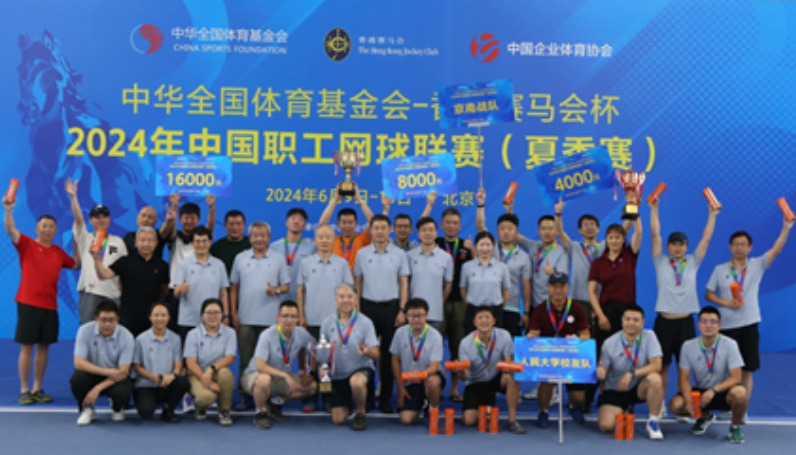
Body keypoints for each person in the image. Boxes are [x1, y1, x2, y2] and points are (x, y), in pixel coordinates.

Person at [705, 216, 793, 405]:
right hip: (726, 327)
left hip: (749, 326)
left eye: (743, 244)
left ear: (750, 247)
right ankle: (725, 408)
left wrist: (786, 228)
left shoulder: (757, 265)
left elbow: (777, 249)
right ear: (730, 247)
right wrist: (726, 303)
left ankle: (741, 409)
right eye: (736, 244)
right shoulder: (720, 269)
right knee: (725, 370)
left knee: (746, 370)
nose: (739, 248)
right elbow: (709, 294)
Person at [4, 196, 79, 405]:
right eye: (44, 226)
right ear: (37, 228)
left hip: (50, 306)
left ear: (56, 230)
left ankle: (37, 387)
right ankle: (24, 389)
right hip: (28, 303)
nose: (47, 229)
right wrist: (9, 210)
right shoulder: (26, 244)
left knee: (44, 347)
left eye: (51, 226)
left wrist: (78, 239)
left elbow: (75, 264)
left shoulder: (58, 252)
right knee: (27, 347)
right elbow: (10, 229)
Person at [650, 197, 718, 398]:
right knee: (661, 367)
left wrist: (712, 215)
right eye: (674, 244)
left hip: (686, 323)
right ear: (668, 246)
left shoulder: (693, 261)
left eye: (681, 244)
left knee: (684, 368)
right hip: (664, 323)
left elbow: (706, 239)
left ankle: (684, 404)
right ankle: (659, 405)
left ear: (686, 246)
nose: (678, 247)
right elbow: (655, 234)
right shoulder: (660, 260)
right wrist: (654, 209)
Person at [229, 221, 290, 410]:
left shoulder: (278, 259)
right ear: (250, 238)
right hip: (245, 318)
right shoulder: (240, 258)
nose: (259, 239)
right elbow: (233, 287)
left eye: (262, 235)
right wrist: (233, 313)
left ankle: (270, 395)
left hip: (271, 321)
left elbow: (286, 287)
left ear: (269, 238)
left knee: (271, 361)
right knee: (245, 360)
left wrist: (275, 290)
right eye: (255, 235)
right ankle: (245, 395)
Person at [353, 214, 410, 413]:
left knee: (388, 355)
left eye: (383, 228)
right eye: (375, 228)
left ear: (390, 230)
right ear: (370, 230)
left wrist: (402, 310)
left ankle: (385, 398)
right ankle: (367, 399)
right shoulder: (362, 254)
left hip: (391, 308)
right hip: (367, 307)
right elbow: (358, 283)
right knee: (367, 355)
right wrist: (357, 309)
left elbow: (404, 284)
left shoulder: (399, 254)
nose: (379, 231)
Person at [669, 307, 748, 444]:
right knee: (676, 405)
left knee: (740, 393)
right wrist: (689, 401)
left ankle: (735, 427)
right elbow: (684, 377)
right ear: (698, 325)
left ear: (719, 326)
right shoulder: (688, 346)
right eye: (704, 321)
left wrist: (713, 390)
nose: (708, 325)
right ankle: (705, 416)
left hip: (723, 390)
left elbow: (736, 377)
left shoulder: (730, 344)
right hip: (700, 391)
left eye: (712, 322)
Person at [296, 224, 354, 412]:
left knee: (329, 363)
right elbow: (300, 290)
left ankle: (329, 398)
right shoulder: (306, 263)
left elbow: (348, 293)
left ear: (334, 240)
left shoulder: (342, 263)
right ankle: (309, 398)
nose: (324, 241)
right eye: (320, 237)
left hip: (334, 322)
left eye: (328, 237)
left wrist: (346, 317)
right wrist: (301, 314)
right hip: (311, 319)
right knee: (310, 362)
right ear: (315, 240)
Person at [527, 272, 590, 427]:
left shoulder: (577, 308)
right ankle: (543, 412)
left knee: (579, 398)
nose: (558, 290)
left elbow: (585, 333)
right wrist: (531, 336)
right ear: (548, 288)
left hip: (572, 356)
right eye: (554, 286)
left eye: (561, 286)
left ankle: (574, 407)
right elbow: (534, 332)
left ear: (567, 288)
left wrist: (580, 339)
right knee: (546, 384)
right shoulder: (540, 309)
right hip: (550, 355)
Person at [241, 301, 317, 429]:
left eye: (293, 316)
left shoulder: (301, 333)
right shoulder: (267, 335)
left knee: (312, 386)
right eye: (285, 316)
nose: (289, 320)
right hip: (255, 376)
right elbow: (260, 366)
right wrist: (285, 376)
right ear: (278, 317)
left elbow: (313, 349)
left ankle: (274, 403)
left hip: (278, 378)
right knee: (264, 380)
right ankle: (260, 413)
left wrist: (311, 372)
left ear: (298, 318)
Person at [453, 306, 526, 434]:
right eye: (480, 318)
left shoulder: (504, 336)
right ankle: (488, 405)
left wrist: (510, 369)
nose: (484, 321)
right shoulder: (465, 343)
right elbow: (465, 377)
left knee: (511, 377)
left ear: (493, 321)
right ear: (475, 322)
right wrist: (460, 372)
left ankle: (512, 421)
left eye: (487, 317)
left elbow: (508, 363)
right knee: (469, 421)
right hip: (476, 381)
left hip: (496, 377)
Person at [596, 305, 665, 440]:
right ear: (622, 321)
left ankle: (653, 422)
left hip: (638, 388)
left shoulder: (650, 336)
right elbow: (604, 372)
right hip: (616, 389)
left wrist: (631, 374)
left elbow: (657, 365)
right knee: (606, 426)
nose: (631, 323)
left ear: (643, 322)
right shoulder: (609, 343)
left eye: (636, 320)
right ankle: (624, 409)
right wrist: (601, 373)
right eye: (627, 319)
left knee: (655, 379)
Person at [65, 177, 128, 324]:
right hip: (90, 292)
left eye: (104, 216)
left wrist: (121, 291)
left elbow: (123, 271)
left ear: (109, 219)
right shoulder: (84, 237)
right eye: (97, 217)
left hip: (112, 294)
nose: (101, 220)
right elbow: (78, 219)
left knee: (111, 332)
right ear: (91, 220)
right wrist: (73, 197)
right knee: (87, 329)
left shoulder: (118, 242)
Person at [430, 198, 475, 403]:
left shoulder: (465, 247)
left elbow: (477, 269)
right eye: (447, 222)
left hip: (460, 304)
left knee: (458, 345)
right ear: (441, 224)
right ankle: (436, 385)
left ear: (460, 225)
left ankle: (455, 388)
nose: (451, 226)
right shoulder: (435, 244)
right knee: (435, 345)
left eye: (455, 223)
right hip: (437, 302)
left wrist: (473, 251)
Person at [320, 283, 380, 431]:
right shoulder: (327, 323)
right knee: (338, 420)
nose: (345, 300)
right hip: (338, 374)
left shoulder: (366, 322)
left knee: (357, 383)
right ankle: (348, 402)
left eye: (349, 297)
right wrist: (323, 367)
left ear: (356, 300)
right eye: (341, 297)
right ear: (336, 300)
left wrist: (367, 351)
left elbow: (376, 354)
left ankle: (360, 412)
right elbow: (323, 351)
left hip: (360, 369)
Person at [91, 226, 170, 337]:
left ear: (156, 243)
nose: (146, 244)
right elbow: (103, 275)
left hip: (152, 320)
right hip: (127, 318)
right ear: (136, 242)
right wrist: (96, 258)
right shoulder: (125, 261)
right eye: (142, 240)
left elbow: (164, 291)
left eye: (150, 240)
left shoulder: (163, 266)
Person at [475, 189, 531, 337]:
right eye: (502, 229)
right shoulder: (490, 248)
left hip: (512, 308)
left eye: (510, 229)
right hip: (489, 306)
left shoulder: (524, 257)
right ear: (497, 231)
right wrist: (481, 204)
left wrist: (526, 312)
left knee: (510, 347)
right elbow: (480, 226)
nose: (506, 232)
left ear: (516, 232)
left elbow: (526, 286)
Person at [70, 300, 134, 426]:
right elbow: (78, 363)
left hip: (114, 378)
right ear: (96, 318)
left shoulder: (126, 336)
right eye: (103, 320)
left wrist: (97, 389)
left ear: (117, 319)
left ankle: (117, 408)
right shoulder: (84, 331)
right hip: (95, 373)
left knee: (125, 388)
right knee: (77, 379)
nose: (107, 324)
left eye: (111, 320)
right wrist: (107, 372)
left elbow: (123, 371)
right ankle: (87, 409)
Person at [588, 214, 643, 352]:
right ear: (606, 240)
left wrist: (635, 214)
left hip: (628, 310)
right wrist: (601, 316)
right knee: (603, 350)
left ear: (623, 239)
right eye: (611, 237)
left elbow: (638, 233)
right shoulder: (598, 263)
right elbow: (592, 291)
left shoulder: (630, 255)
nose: (614, 240)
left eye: (618, 237)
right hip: (607, 311)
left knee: (627, 350)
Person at [390, 298, 445, 426]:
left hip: (429, 376)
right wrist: (400, 388)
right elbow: (395, 361)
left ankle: (433, 408)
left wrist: (417, 376)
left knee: (432, 382)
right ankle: (421, 402)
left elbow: (434, 367)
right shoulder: (399, 333)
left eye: (420, 315)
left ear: (427, 316)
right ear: (406, 316)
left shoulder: (435, 336)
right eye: (412, 316)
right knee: (405, 420)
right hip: (409, 381)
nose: (416, 319)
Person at [131, 302, 189, 423]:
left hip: (167, 383)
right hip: (146, 384)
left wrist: (171, 376)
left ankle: (169, 409)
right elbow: (137, 366)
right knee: (146, 412)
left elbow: (179, 364)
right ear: (150, 317)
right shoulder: (140, 339)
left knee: (182, 381)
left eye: (163, 315)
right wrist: (154, 377)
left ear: (169, 317)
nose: (160, 319)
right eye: (156, 315)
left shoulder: (175, 338)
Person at [184, 298, 237, 426]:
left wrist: (211, 370)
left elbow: (229, 357)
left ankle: (224, 410)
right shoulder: (193, 334)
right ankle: (200, 407)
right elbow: (190, 363)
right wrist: (206, 380)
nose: (212, 316)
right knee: (206, 398)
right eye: (209, 312)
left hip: (217, 371)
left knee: (226, 374)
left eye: (216, 312)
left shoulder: (230, 333)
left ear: (222, 314)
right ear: (202, 315)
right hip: (196, 374)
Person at [166, 195, 216, 328]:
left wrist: (212, 207)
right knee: (174, 329)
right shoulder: (175, 237)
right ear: (180, 219)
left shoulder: (200, 240)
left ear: (198, 219)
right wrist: (174, 206)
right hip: (175, 290)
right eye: (186, 218)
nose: (189, 221)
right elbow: (171, 228)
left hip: (197, 290)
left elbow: (210, 229)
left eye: (192, 218)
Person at [174, 226, 230, 339]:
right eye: (197, 241)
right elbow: (176, 293)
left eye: (204, 241)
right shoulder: (184, 265)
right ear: (192, 243)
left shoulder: (219, 265)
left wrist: (226, 316)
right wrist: (181, 289)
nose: (201, 244)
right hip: (189, 320)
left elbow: (223, 293)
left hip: (213, 319)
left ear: (210, 242)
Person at [406, 217, 453, 333]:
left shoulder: (446, 257)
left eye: (431, 230)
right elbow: (405, 283)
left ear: (436, 233)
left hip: (435, 313)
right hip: (413, 314)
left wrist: (438, 300)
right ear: (418, 234)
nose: (427, 233)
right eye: (424, 230)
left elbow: (448, 284)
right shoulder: (409, 256)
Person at [460, 231, 510, 335]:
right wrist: (470, 303)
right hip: (473, 311)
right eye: (481, 245)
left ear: (493, 247)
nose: (485, 248)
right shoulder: (467, 266)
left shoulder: (502, 267)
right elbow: (463, 289)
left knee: (495, 341)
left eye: (488, 245)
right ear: (476, 246)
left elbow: (506, 290)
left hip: (495, 311)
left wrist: (499, 306)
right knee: (472, 341)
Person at [319, 183, 375, 272]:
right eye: (344, 222)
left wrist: (358, 199)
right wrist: (336, 200)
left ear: (356, 223)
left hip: (357, 279)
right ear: (338, 224)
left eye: (350, 222)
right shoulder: (333, 239)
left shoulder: (362, 238)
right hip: (335, 279)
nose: (347, 225)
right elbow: (323, 224)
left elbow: (373, 223)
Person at [270, 208, 317, 302]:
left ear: (304, 226)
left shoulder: (312, 248)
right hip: (278, 298)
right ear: (287, 223)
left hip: (302, 298)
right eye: (293, 218)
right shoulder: (273, 247)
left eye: (300, 220)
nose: (296, 222)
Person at [122, 196, 177, 260]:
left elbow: (164, 230)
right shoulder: (129, 236)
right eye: (143, 215)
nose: (145, 219)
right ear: (137, 218)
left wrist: (170, 215)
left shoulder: (156, 235)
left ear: (155, 222)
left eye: (150, 217)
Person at [210, 209, 251, 276]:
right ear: (225, 225)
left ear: (244, 225)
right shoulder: (217, 247)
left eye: (239, 224)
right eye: (231, 224)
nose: (235, 227)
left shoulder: (252, 244)